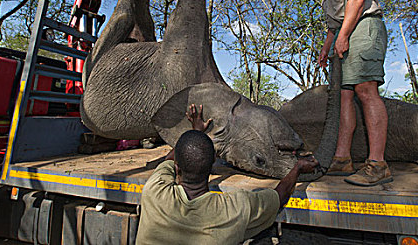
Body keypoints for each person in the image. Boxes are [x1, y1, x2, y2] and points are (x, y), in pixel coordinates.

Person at [135, 104, 319, 245]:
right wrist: (297, 168)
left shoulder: (154, 191)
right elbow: (279, 197)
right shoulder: (234, 208)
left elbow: (170, 158)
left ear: (177, 168)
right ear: (213, 164)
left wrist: (195, 132)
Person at [306, 0, 392, 187]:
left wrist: (343, 36)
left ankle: (378, 164)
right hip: (345, 33)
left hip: (363, 29)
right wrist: (326, 48)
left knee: (365, 90)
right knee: (344, 97)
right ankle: (342, 159)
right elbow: (334, 24)